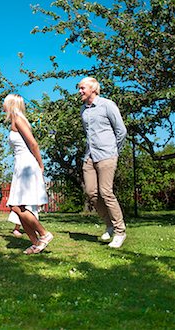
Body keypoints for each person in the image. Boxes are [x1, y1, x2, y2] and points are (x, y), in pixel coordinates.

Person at [79, 77, 127, 249]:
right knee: (92, 192)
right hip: (90, 155)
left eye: (82, 88)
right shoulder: (83, 110)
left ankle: (120, 231)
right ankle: (110, 225)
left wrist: (114, 151)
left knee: (106, 192)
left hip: (107, 154)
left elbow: (121, 131)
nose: (80, 91)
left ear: (93, 89)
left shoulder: (107, 105)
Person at [4, 94, 53, 255]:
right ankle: (36, 243)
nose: (3, 107)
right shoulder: (15, 120)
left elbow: (33, 143)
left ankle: (44, 234)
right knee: (19, 206)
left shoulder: (18, 119)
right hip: (20, 165)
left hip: (26, 165)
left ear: (10, 104)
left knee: (16, 205)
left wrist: (40, 163)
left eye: (5, 104)